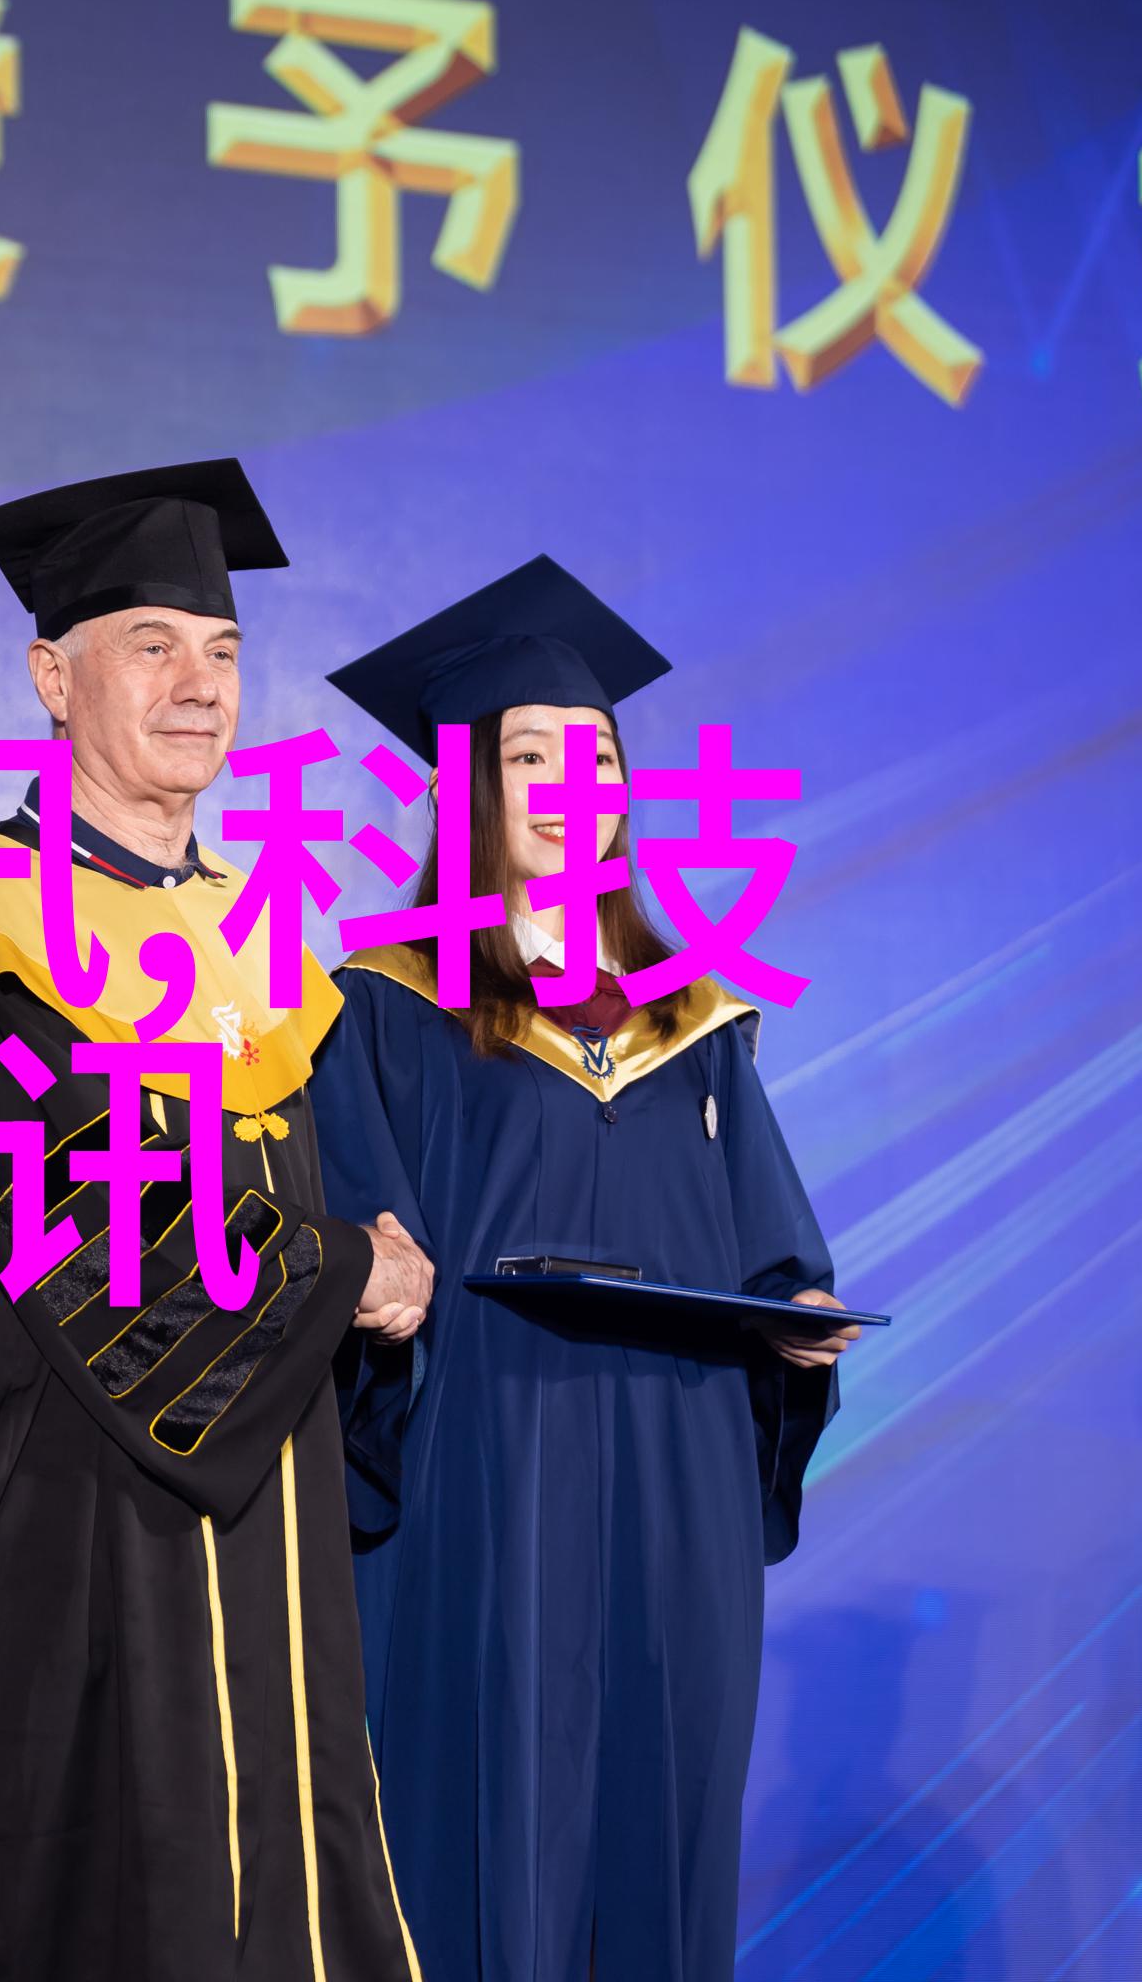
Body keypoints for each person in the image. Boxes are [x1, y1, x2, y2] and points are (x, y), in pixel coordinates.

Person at [0, 459, 434, 1982]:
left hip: (263, 1511)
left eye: (225, 652)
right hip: (77, 1523)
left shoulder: (256, 929)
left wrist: (376, 1282)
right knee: (129, 1890)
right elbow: (103, 1239)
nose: (201, 686)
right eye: (152, 645)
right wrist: (352, 1270)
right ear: (52, 680)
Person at [311, 554, 856, 1982]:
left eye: (598, 756)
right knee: (492, 1805)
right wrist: (378, 1290)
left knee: (662, 1800)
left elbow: (775, 1244)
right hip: (488, 1459)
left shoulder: (697, 1017)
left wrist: (799, 1317)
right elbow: (362, 1243)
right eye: (529, 755)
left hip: (676, 1469)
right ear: (465, 785)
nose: (572, 784)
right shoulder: (384, 1003)